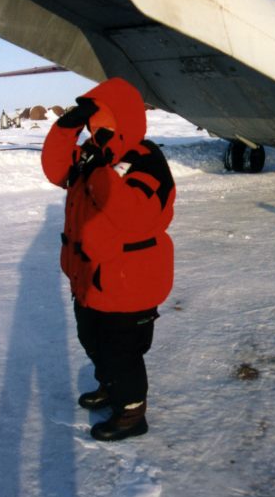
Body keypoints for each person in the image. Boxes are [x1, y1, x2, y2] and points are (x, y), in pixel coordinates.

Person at [41, 77, 175, 441]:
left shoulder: (145, 160)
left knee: (122, 352)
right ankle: (111, 386)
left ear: (125, 119)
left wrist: (101, 167)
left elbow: (132, 215)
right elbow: (58, 171)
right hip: (90, 276)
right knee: (92, 339)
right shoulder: (90, 153)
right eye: (91, 121)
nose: (94, 129)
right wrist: (66, 128)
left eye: (103, 120)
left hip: (127, 281)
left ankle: (131, 413)